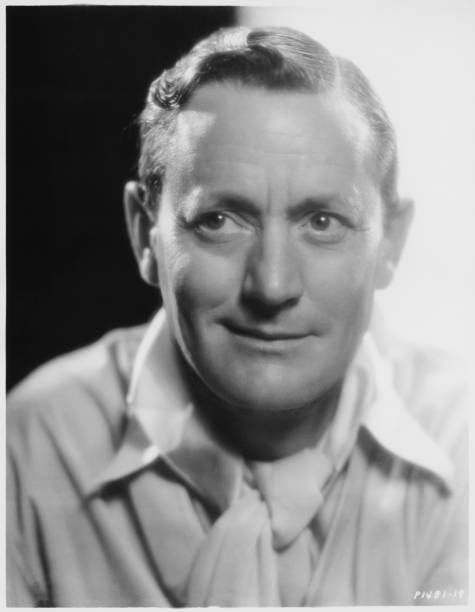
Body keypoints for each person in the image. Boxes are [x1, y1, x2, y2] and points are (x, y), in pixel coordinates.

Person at [6, 26, 468, 607]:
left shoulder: (463, 439)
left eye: (322, 222)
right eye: (220, 221)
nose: (272, 285)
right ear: (144, 234)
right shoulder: (29, 447)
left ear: (391, 242)